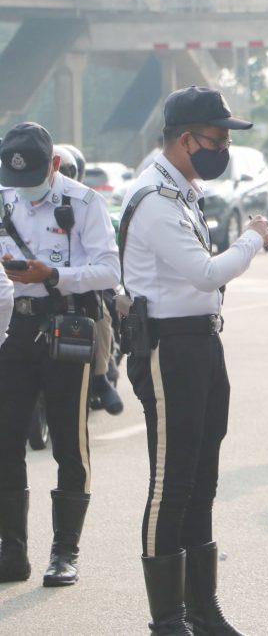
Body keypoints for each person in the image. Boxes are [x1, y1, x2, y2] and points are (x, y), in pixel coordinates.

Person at [119, 86, 268, 635]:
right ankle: (168, 619)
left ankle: (202, 610)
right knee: (172, 482)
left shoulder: (182, 192)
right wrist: (253, 239)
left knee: (202, 478)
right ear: (186, 140)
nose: (223, 148)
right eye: (217, 138)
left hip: (202, 341)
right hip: (168, 347)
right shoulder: (155, 198)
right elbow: (206, 272)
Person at [0, 122, 119, 587]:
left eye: (34, 179)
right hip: (14, 327)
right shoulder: (5, 197)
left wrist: (54, 274)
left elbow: (110, 270)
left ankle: (64, 552)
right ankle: (12, 550)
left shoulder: (85, 203)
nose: (25, 191)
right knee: (7, 441)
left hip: (64, 326)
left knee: (69, 441)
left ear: (53, 164)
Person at [55, 144, 124, 415]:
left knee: (101, 313)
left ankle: (99, 375)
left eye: (65, 172)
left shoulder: (88, 204)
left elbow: (109, 259)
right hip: (32, 290)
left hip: (83, 286)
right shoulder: (20, 206)